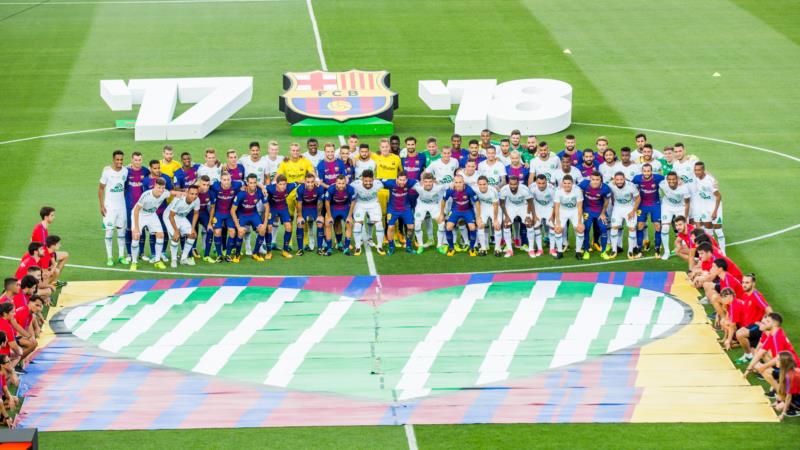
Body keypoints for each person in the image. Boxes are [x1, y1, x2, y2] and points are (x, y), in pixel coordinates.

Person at [744, 313, 799, 397]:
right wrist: (749, 368)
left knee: (764, 370)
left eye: (767, 321)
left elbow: (779, 358)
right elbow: (760, 352)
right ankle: (780, 394)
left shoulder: (777, 337)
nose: (763, 322)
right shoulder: (773, 335)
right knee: (763, 367)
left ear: (773, 324)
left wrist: (763, 366)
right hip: (787, 367)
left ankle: (782, 395)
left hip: (792, 371)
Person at [130, 178, 170, 271]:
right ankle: (134, 262)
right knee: (136, 236)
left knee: (160, 235)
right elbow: (136, 210)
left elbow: (172, 193)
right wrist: (136, 228)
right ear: (155, 186)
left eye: (162, 188)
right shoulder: (146, 195)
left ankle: (157, 261)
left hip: (151, 215)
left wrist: (182, 193)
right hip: (139, 214)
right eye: (159, 187)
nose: (161, 190)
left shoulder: (165, 193)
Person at [99, 150, 129, 266]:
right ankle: (110, 257)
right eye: (117, 159)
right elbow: (101, 189)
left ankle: (121, 256)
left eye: (121, 159)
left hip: (121, 207)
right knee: (109, 232)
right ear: (113, 160)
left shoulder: (125, 171)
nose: (119, 162)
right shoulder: (107, 172)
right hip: (109, 208)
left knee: (121, 232)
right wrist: (101, 205)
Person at [734, 274, 772, 364]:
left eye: (747, 282)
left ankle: (748, 355)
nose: (744, 285)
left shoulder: (756, 295)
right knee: (756, 360)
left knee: (739, 334)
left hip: (756, 326)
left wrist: (765, 324)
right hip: (750, 326)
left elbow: (769, 311)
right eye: (743, 282)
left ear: (753, 284)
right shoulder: (746, 294)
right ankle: (751, 356)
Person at [229, 175, 267, 263]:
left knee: (262, 230)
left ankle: (256, 253)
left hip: (253, 214)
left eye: (254, 183)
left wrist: (264, 223)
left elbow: (267, 207)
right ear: (247, 183)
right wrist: (238, 226)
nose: (253, 185)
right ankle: (237, 254)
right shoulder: (241, 193)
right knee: (241, 231)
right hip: (242, 214)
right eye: (251, 183)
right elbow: (232, 210)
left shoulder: (260, 192)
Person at [439, 174, 478, 256]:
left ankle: (471, 248)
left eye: (460, 182)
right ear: (454, 182)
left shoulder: (468, 189)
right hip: (455, 210)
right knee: (448, 227)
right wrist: (441, 214)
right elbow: (443, 201)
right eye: (456, 182)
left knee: (472, 227)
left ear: (463, 182)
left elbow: (477, 202)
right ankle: (451, 248)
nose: (458, 184)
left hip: (467, 211)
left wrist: (478, 216)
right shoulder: (450, 190)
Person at [691, 161, 726, 253]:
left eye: (699, 170)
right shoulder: (696, 178)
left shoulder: (710, 181)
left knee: (718, 231)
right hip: (704, 208)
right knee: (709, 232)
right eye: (695, 170)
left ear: (703, 170)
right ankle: (714, 251)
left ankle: (723, 253)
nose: (696, 172)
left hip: (715, 207)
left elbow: (718, 196)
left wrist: (715, 211)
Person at [209, 172, 243, 263]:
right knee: (217, 231)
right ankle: (219, 255)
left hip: (229, 213)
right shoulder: (215, 186)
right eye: (224, 180)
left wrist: (263, 187)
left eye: (228, 180)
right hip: (218, 213)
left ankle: (228, 254)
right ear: (221, 180)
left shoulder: (236, 185)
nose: (226, 182)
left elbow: (248, 183)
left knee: (232, 232)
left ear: (231, 180)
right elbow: (203, 184)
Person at [632, 163, 665, 254]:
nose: (646, 173)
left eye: (648, 171)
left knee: (658, 225)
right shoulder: (637, 178)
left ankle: (657, 247)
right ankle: (639, 247)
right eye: (644, 171)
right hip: (642, 204)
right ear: (642, 171)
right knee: (640, 225)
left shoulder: (658, 178)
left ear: (651, 171)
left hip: (655, 204)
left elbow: (670, 179)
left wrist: (679, 180)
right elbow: (629, 185)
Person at [351, 170, 385, 256]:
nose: (368, 183)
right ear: (362, 179)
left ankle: (380, 246)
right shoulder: (355, 184)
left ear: (373, 179)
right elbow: (346, 188)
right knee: (358, 224)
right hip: (360, 203)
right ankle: (358, 247)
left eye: (370, 181)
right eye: (366, 181)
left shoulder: (379, 184)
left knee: (379, 224)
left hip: (373, 203)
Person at [382, 172, 417, 255]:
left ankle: (408, 246)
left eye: (404, 180)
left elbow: (420, 182)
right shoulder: (390, 182)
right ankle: (391, 247)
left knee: (411, 227)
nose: (402, 182)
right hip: (392, 209)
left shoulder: (411, 182)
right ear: (396, 179)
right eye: (400, 180)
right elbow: (378, 180)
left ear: (407, 180)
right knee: (390, 227)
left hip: (406, 209)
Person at [657, 171, 691, 260]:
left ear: (677, 179)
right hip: (667, 206)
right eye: (669, 179)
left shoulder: (684, 188)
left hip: (680, 207)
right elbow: (654, 178)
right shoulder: (662, 183)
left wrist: (685, 217)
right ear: (666, 179)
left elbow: (687, 203)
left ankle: (685, 249)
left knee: (684, 228)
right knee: (665, 228)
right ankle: (667, 252)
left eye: (673, 179)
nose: (671, 181)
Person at [578, 172, 611, 260]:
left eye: (597, 180)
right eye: (593, 179)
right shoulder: (584, 184)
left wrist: (603, 213)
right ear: (590, 179)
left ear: (601, 180)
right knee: (586, 229)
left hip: (600, 211)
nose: (595, 182)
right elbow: (576, 191)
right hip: (587, 210)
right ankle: (586, 251)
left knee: (603, 228)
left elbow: (606, 201)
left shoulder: (605, 188)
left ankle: (603, 252)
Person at [607, 172, 640, 259]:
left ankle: (630, 251)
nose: (619, 181)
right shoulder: (611, 185)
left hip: (629, 208)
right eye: (617, 180)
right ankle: (614, 250)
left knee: (631, 228)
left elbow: (638, 198)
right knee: (614, 227)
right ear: (614, 179)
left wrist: (633, 211)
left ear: (624, 178)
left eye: (621, 179)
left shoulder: (631, 186)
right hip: (617, 208)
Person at [499, 176, 534, 258]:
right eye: (511, 184)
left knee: (529, 224)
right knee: (506, 224)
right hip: (510, 206)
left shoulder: (524, 189)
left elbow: (530, 202)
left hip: (523, 206)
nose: (513, 186)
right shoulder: (504, 189)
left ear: (518, 183)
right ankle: (510, 250)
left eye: (515, 184)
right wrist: (506, 216)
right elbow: (502, 203)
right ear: (509, 183)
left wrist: (528, 215)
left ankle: (531, 249)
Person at [412, 173, 448, 253]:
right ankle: (420, 246)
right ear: (423, 182)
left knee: (441, 223)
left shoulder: (438, 187)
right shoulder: (418, 187)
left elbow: (450, 185)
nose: (428, 184)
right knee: (417, 223)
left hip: (434, 205)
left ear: (433, 182)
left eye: (430, 182)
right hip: (421, 205)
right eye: (426, 182)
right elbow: (408, 182)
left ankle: (439, 246)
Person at [265, 175, 298, 259]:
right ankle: (268, 252)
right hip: (272, 208)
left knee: (289, 227)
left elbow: (298, 182)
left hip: (283, 207)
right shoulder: (270, 188)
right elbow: (261, 187)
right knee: (269, 228)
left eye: (284, 184)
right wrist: (262, 187)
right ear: (276, 184)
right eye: (280, 184)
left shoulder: (290, 186)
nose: (283, 186)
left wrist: (310, 181)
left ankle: (285, 251)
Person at [553, 175, 584, 259]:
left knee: (580, 229)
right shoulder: (558, 191)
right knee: (558, 229)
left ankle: (578, 252)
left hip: (574, 211)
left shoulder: (577, 190)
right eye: (565, 183)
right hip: (562, 211)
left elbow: (579, 207)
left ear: (572, 183)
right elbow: (557, 207)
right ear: (562, 183)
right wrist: (558, 222)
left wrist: (580, 222)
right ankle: (559, 252)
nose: (567, 185)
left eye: (569, 183)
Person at [294, 173, 326, 256]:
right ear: (305, 181)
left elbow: (320, 203)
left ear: (314, 181)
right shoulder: (300, 189)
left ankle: (319, 248)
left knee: (320, 222)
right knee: (300, 223)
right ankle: (300, 249)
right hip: (304, 207)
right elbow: (299, 203)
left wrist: (319, 215)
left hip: (314, 207)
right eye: (308, 182)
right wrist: (300, 216)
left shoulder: (320, 188)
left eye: (312, 182)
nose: (310, 184)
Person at [324, 175, 355, 256]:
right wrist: (329, 216)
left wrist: (349, 216)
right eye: (339, 183)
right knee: (328, 223)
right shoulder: (331, 189)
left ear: (346, 183)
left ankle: (347, 248)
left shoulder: (351, 189)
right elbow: (327, 202)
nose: (341, 185)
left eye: (343, 183)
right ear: (336, 183)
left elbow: (353, 202)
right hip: (334, 207)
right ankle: (329, 248)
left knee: (349, 223)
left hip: (344, 207)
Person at [473, 175, 501, 257]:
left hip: (493, 207)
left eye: (484, 184)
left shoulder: (493, 191)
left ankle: (498, 248)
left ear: (487, 184)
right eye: (480, 184)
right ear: (477, 184)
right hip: (482, 208)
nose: (482, 186)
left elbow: (496, 206)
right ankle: (483, 248)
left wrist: (495, 220)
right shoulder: (474, 189)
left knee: (497, 226)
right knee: (480, 225)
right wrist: (478, 218)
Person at [530, 174, 556, 257]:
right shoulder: (531, 188)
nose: (541, 185)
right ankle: (540, 249)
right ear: (536, 182)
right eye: (539, 183)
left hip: (549, 207)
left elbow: (556, 203)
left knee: (552, 226)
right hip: (537, 207)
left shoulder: (552, 189)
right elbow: (530, 202)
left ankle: (552, 249)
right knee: (536, 226)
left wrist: (552, 216)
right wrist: (534, 215)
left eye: (543, 183)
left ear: (546, 182)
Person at [773, 351, 800, 419]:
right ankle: (791, 406)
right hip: (796, 394)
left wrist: (783, 414)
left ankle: (796, 409)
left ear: (784, 362)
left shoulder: (789, 376)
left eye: (778, 359)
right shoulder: (788, 371)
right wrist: (778, 401)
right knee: (779, 399)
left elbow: (789, 396)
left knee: (779, 408)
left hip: (798, 397)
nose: (776, 361)